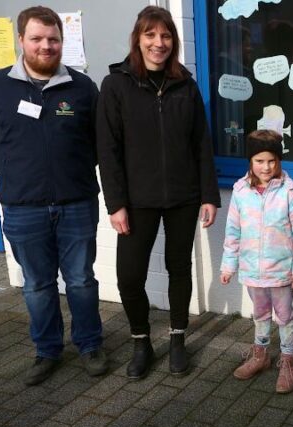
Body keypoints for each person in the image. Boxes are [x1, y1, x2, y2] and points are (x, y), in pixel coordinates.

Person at [0, 6, 106, 386]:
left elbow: (97, 143)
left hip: (76, 202)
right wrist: (17, 170)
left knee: (80, 279)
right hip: (22, 208)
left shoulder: (82, 87)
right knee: (37, 284)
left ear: (62, 42)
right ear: (21, 40)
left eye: (53, 39)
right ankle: (47, 351)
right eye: (37, 38)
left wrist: (69, 171)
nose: (46, 46)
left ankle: (90, 344)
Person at [97, 6, 221, 380]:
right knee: (129, 277)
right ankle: (141, 341)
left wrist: (209, 195)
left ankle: (179, 339)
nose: (159, 43)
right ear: (138, 38)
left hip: (183, 196)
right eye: (151, 35)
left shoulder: (186, 83)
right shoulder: (116, 84)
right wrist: (116, 204)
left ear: (173, 41)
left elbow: (201, 143)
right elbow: (108, 149)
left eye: (165, 36)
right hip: (136, 201)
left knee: (179, 269)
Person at [220, 130, 293, 394]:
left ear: (278, 160)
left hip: (282, 271)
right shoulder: (240, 191)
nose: (266, 167)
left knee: (284, 316)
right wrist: (228, 265)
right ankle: (260, 355)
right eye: (259, 161)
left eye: (271, 160)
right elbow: (233, 232)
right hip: (252, 270)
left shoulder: (290, 192)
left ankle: (288, 361)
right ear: (250, 161)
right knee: (259, 313)